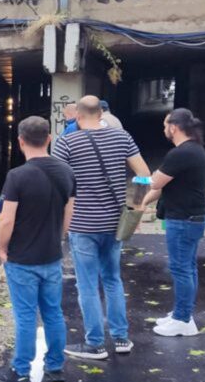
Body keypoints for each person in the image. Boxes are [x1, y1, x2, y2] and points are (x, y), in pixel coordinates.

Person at [53, 96, 151, 359]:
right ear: (100, 113)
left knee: (86, 284)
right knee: (112, 279)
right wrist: (138, 207)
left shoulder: (67, 142)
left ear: (78, 116)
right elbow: (144, 173)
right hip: (114, 224)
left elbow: (57, 183)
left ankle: (95, 343)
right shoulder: (122, 137)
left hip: (83, 224)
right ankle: (121, 339)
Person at [0, 116, 75, 382]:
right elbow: (68, 215)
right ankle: (55, 368)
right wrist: (56, 239)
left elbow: (6, 220)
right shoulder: (66, 172)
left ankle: (21, 371)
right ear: (49, 139)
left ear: (20, 141)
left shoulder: (17, 176)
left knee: (26, 316)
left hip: (22, 259)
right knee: (53, 312)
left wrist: (2, 248)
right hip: (51, 256)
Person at [140, 108, 205, 337]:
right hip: (193, 217)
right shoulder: (195, 150)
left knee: (181, 269)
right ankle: (182, 314)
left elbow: (156, 182)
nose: (163, 130)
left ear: (174, 127)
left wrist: (141, 178)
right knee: (187, 268)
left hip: (183, 219)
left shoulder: (181, 154)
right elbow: (164, 187)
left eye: (164, 125)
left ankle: (182, 319)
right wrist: (143, 204)